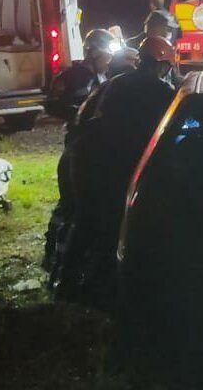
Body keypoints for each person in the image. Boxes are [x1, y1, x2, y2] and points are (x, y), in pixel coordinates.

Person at [57, 36, 177, 305]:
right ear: (162, 65)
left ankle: (66, 284)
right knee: (117, 223)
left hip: (85, 157)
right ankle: (103, 287)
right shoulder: (163, 92)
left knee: (85, 220)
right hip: (118, 163)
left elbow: (80, 119)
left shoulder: (112, 83)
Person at [42, 28, 116, 275]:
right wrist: (78, 113)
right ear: (94, 53)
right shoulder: (73, 77)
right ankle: (55, 256)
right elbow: (52, 104)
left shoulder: (103, 77)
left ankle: (72, 258)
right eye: (106, 54)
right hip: (77, 147)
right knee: (70, 204)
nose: (109, 60)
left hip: (92, 148)